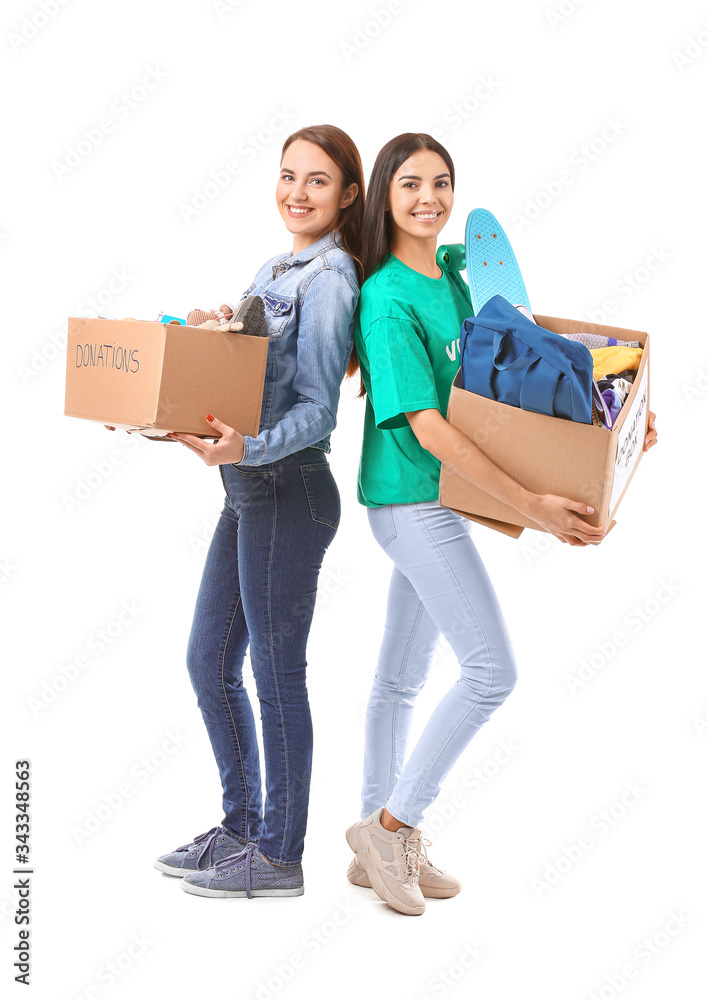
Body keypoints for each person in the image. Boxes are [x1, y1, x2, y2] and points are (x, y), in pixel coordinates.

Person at [344, 133, 658, 917]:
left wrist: (611, 422)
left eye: (441, 183)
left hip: (439, 503)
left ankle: (373, 842)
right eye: (410, 184)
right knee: (492, 673)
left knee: (398, 680)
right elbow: (429, 427)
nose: (429, 198)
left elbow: (512, 374)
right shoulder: (387, 300)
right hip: (413, 501)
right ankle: (394, 825)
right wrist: (534, 508)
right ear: (384, 193)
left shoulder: (456, 274)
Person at [152, 124, 365, 899]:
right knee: (209, 664)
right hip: (248, 492)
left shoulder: (333, 275)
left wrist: (243, 449)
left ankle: (279, 853)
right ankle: (242, 827)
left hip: (290, 491)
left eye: (316, 181)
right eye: (287, 175)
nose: (296, 193)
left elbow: (317, 411)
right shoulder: (275, 266)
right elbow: (252, 375)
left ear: (346, 195)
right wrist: (215, 339)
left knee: (275, 676)